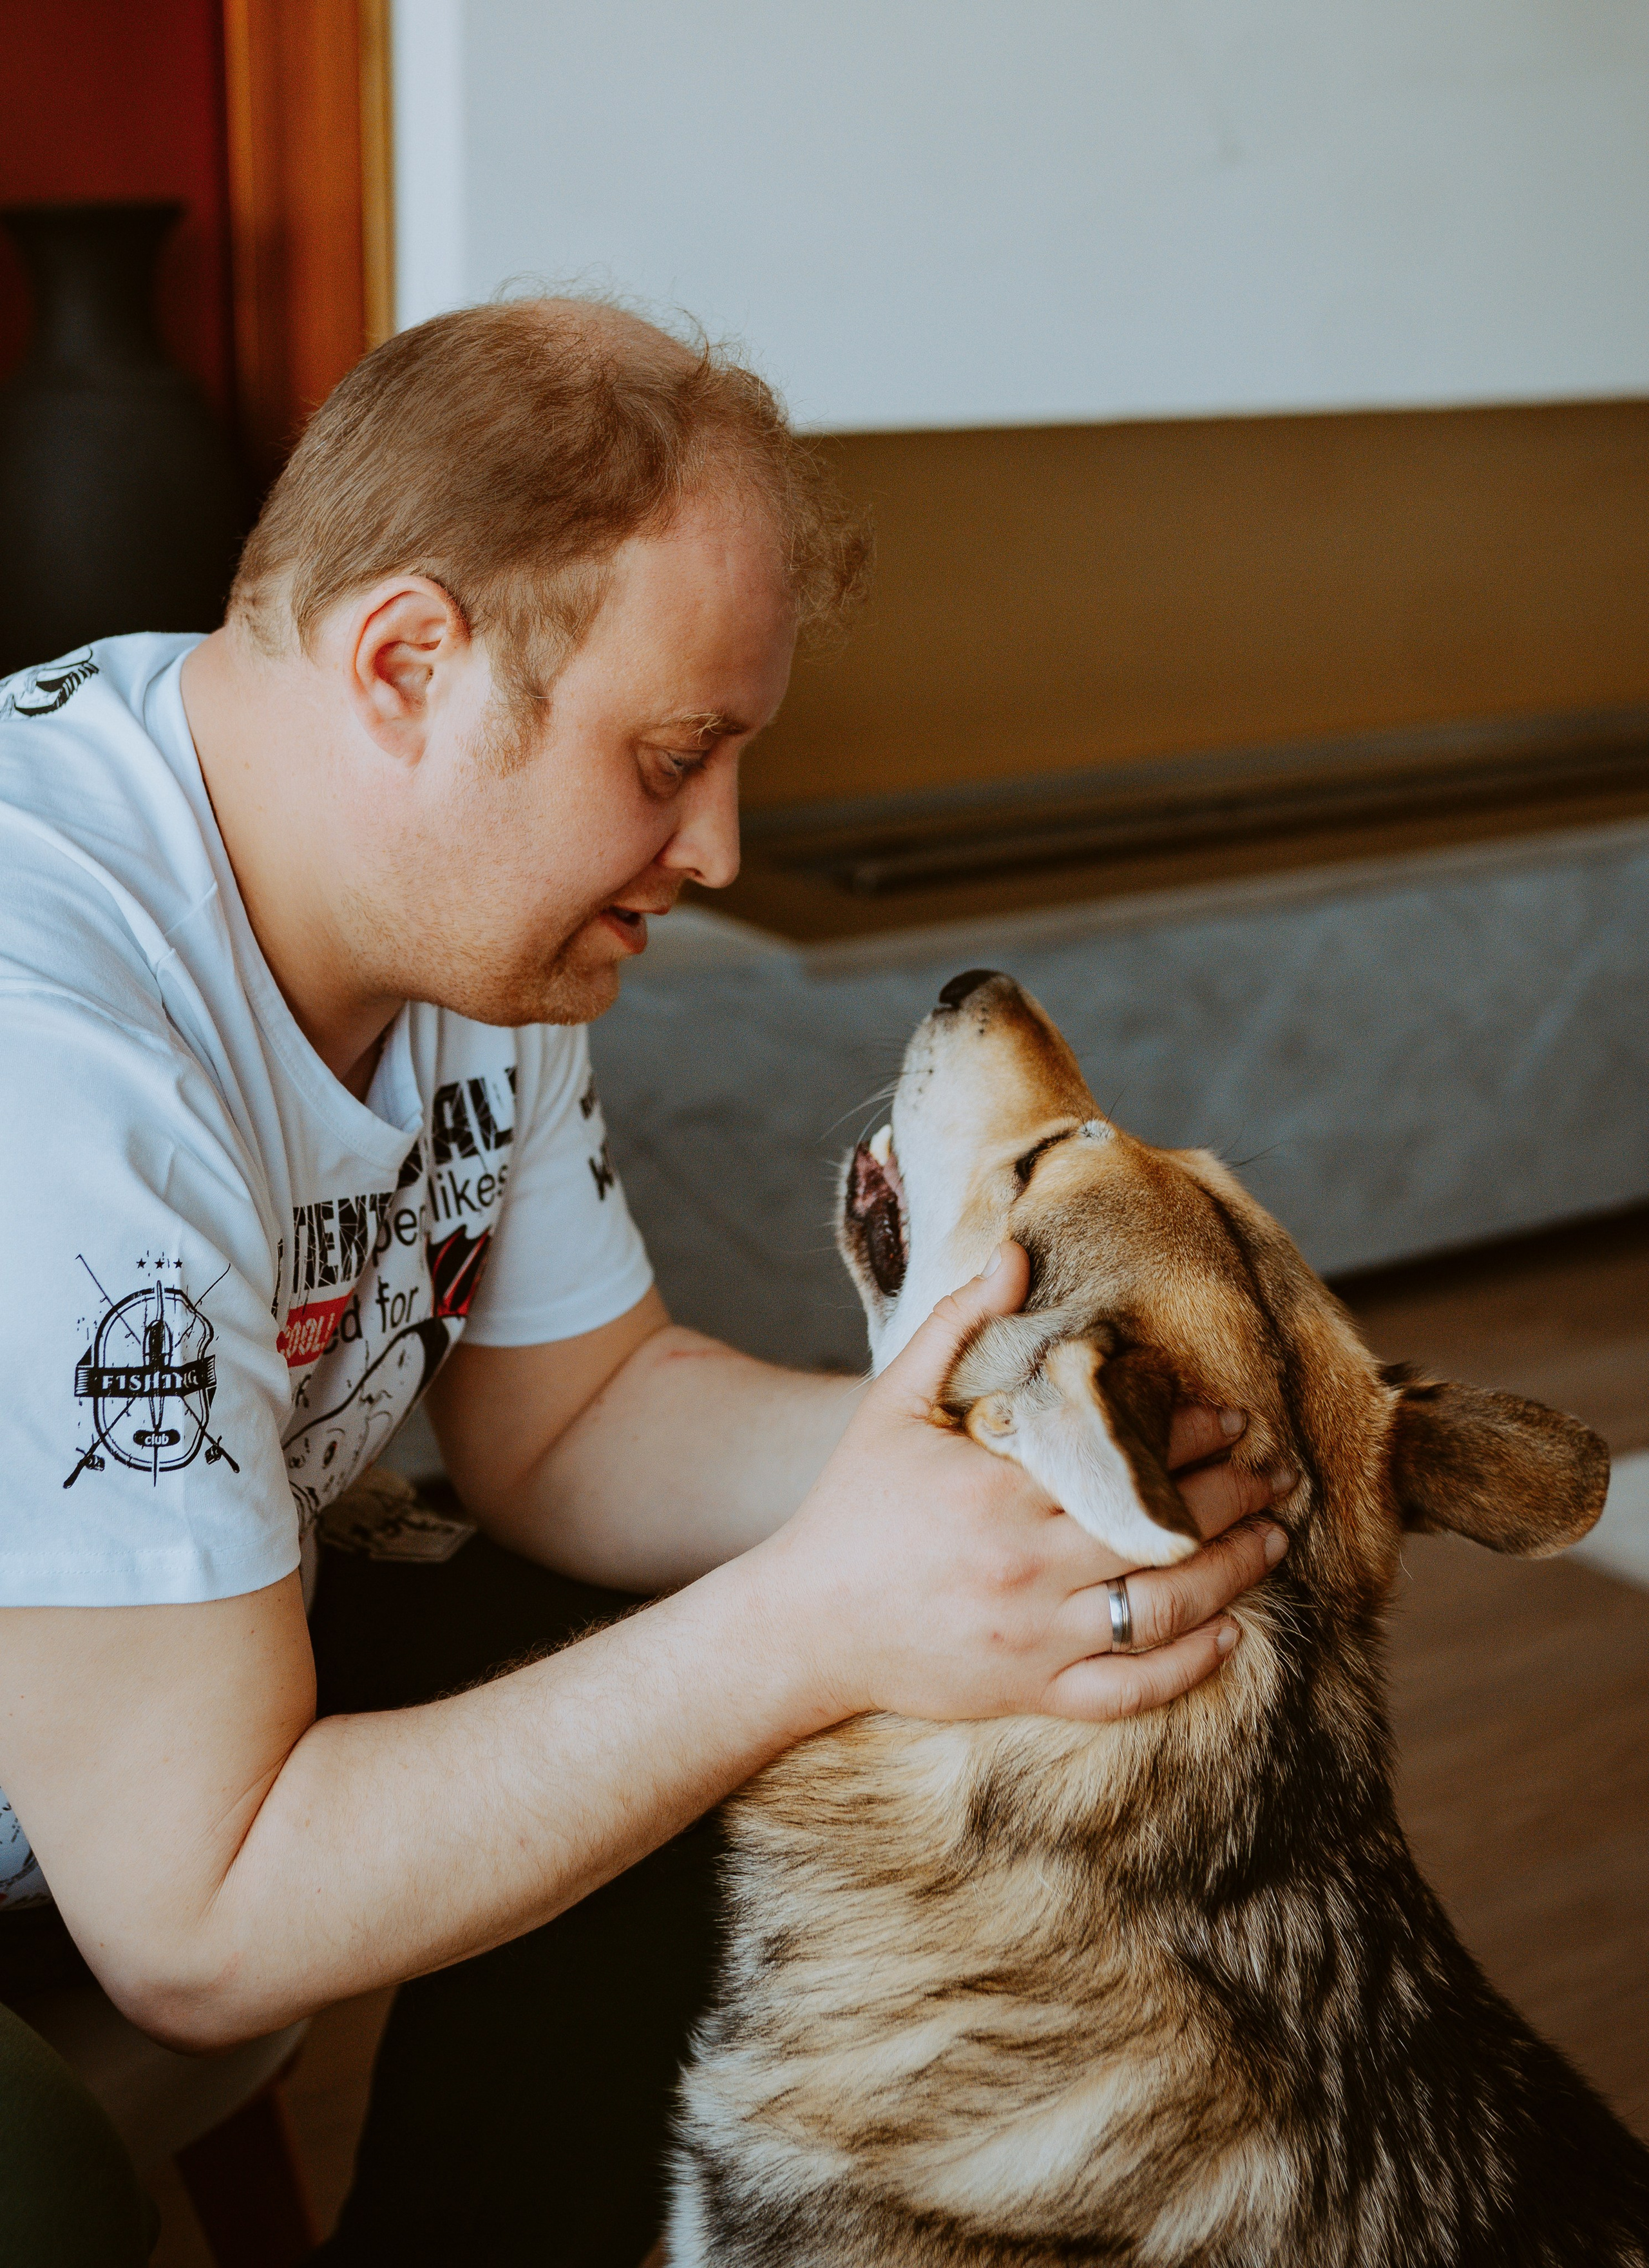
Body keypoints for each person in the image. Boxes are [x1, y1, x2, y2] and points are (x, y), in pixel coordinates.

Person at [0, 299, 1288, 2264]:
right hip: (123, 1833)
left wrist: (970, 1465)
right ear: (409, 663)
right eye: (672, 759)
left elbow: (576, 1421)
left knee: (713, 1736)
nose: (717, 846)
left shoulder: (455, 918)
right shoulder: (60, 1046)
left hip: (125, 1734)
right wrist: (817, 1614)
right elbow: (198, 1915)